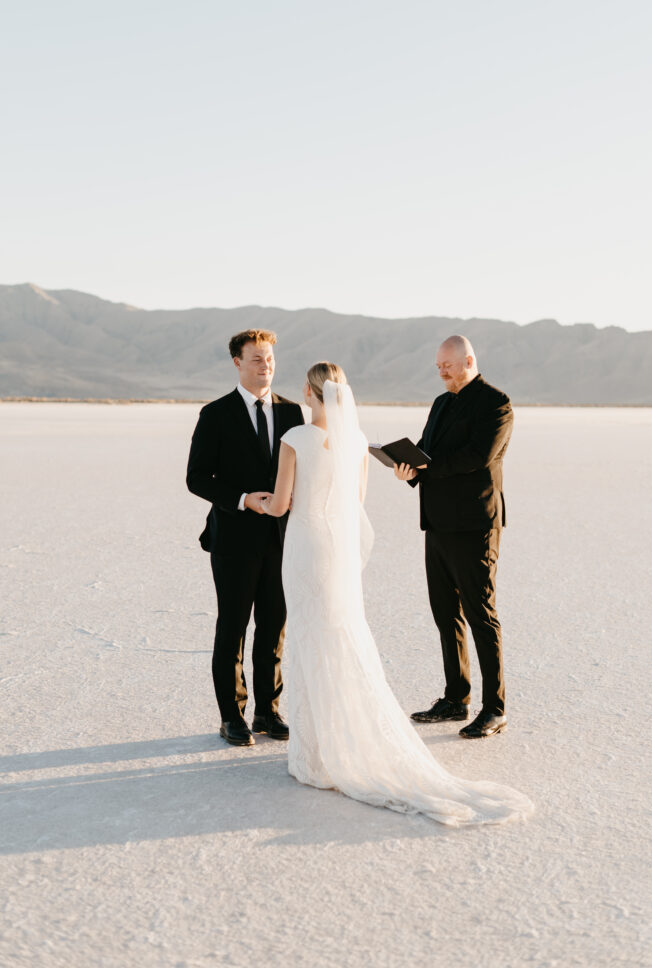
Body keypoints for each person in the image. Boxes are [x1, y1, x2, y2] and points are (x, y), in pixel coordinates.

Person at [260, 361, 532, 827]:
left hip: (306, 548)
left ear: (309, 392)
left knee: (310, 639)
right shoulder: (354, 445)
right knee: (341, 636)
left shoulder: (296, 440)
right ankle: (344, 739)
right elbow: (354, 504)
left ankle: (316, 754)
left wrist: (257, 501)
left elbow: (282, 504)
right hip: (338, 552)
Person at [186, 329, 304, 747]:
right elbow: (197, 478)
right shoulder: (215, 414)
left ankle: (267, 711)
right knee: (233, 628)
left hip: (280, 539)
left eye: (269, 358)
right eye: (256, 359)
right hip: (234, 539)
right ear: (237, 362)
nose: (265, 366)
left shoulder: (292, 413)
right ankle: (231, 716)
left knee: (274, 628)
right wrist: (242, 499)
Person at [394, 335, 513, 739]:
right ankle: (455, 698)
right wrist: (408, 468)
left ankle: (494, 708)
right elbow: (427, 451)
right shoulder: (441, 403)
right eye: (438, 366)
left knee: (481, 615)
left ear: (469, 360)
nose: (441, 371)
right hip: (438, 524)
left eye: (447, 364)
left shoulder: (496, 403)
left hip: (475, 526)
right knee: (446, 614)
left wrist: (427, 468)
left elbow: (477, 457)